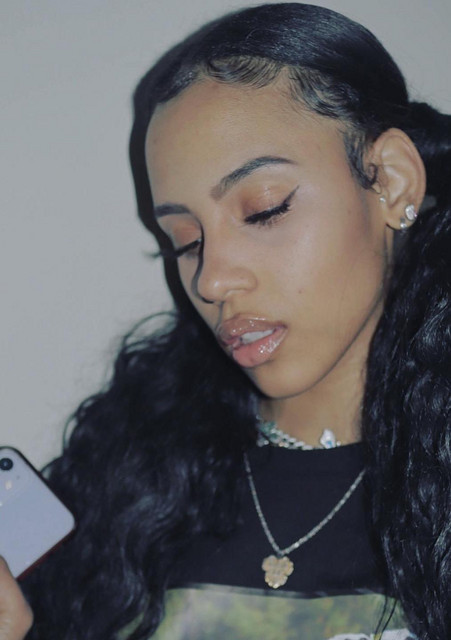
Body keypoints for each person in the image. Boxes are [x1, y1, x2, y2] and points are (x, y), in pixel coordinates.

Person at [2, 2, 450, 638]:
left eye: (263, 210)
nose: (211, 281)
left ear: (392, 181)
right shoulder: (130, 489)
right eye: (185, 241)